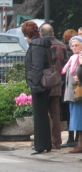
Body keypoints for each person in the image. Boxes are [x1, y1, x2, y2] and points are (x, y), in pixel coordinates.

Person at [22, 21, 52, 155]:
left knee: (39, 116)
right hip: (43, 83)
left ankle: (40, 145)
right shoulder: (41, 44)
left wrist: (35, 86)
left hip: (39, 85)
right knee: (43, 115)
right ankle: (46, 144)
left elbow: (37, 67)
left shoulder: (35, 46)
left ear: (27, 34)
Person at [39, 24, 68, 149]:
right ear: (53, 32)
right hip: (57, 85)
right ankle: (57, 141)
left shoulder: (40, 46)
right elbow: (66, 65)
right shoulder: (61, 46)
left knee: (43, 114)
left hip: (43, 84)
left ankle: (44, 140)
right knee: (55, 114)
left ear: (41, 33)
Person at [62, 36, 82, 153]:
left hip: (79, 93)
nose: (74, 47)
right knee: (76, 118)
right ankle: (79, 143)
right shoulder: (73, 58)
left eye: (77, 45)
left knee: (79, 119)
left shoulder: (80, 58)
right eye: (72, 45)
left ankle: (80, 144)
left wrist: (79, 78)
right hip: (73, 93)